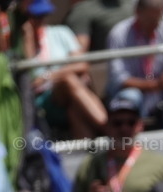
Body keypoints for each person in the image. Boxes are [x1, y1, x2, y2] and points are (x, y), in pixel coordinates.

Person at [21, 0, 108, 139]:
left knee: (74, 107)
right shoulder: (21, 41)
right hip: (41, 101)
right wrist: (28, 37)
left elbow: (82, 64)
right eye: (35, 16)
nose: (40, 20)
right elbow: (31, 79)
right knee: (68, 80)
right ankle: (108, 127)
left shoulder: (61, 32)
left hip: (69, 95)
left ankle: (90, 149)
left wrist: (49, 76)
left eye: (43, 15)